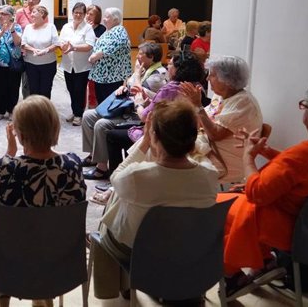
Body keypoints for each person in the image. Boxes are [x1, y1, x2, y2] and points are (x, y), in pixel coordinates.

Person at [91, 99, 219, 300]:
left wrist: (143, 143)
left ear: (155, 137)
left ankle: (122, 283)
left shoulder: (137, 177)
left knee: (115, 202)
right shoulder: (209, 175)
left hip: (139, 253)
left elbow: (116, 177)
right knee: (124, 198)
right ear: (193, 138)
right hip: (189, 250)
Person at [217, 84, 308, 301]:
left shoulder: (303, 154)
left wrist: (248, 159)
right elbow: (296, 170)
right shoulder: (304, 154)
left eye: (304, 106)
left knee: (215, 204)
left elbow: (257, 192)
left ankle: (232, 274)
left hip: (283, 224)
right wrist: (266, 151)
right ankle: (264, 260)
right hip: (302, 227)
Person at [0, 95, 86, 307]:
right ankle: (44, 294)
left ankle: (4, 292)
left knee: (0, 226)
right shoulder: (72, 166)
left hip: (14, 252)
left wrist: (10, 153)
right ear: (54, 128)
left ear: (20, 134)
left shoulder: (6, 167)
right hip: (59, 253)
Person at [101, 50, 205, 200]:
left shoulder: (171, 87)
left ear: (178, 69)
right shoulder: (195, 86)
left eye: (170, 64)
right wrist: (148, 97)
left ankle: (114, 185)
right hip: (182, 131)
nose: (167, 67)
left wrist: (138, 103)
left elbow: (145, 116)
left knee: (111, 134)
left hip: (164, 131)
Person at [82, 42, 168, 180]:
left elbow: (137, 90)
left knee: (101, 124)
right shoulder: (143, 68)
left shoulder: (158, 76)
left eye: (141, 54)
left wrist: (135, 77)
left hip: (137, 115)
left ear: (151, 57)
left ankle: (102, 167)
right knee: (88, 116)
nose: (137, 56)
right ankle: (94, 155)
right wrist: (122, 88)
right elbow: (129, 84)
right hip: (126, 107)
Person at [180, 55, 263, 183]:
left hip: (224, 162)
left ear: (227, 80)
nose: (207, 78)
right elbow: (201, 123)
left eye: (212, 75)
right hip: (207, 150)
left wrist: (198, 106)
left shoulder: (243, 103)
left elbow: (214, 134)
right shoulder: (220, 96)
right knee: (161, 142)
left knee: (168, 160)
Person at [59, 2, 96, 126]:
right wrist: (63, 46)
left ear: (85, 14)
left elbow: (89, 45)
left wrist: (73, 47)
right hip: (68, 65)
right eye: (76, 12)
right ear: (72, 13)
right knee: (70, 89)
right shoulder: (66, 27)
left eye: (81, 13)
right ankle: (75, 111)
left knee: (79, 90)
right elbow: (61, 42)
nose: (78, 15)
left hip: (82, 66)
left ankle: (79, 114)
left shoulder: (88, 28)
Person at [21, 5, 59, 99]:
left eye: (34, 12)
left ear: (42, 13)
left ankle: (45, 112)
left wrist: (45, 50)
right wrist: (33, 49)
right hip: (31, 64)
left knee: (45, 90)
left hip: (48, 65)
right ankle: (35, 112)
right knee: (33, 90)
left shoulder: (51, 27)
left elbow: (56, 44)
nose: (31, 15)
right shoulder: (28, 27)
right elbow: (23, 44)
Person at [0, 5, 23, 120]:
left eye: (4, 14)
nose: (0, 16)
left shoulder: (17, 27)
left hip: (13, 63)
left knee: (13, 88)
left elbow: (17, 43)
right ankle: (1, 110)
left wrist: (12, 30)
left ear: (11, 16)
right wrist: (2, 32)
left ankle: (11, 110)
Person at [15, 0, 43, 99]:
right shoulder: (20, 12)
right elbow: (15, 29)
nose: (31, 1)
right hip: (24, 52)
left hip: (38, 53)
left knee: (37, 82)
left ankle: (37, 105)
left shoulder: (42, 13)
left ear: (39, 0)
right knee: (26, 82)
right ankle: (28, 106)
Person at [85, 4, 106, 110]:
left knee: (93, 86)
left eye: (91, 14)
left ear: (97, 16)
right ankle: (79, 109)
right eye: (87, 13)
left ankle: (92, 107)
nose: (88, 16)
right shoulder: (82, 26)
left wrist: (90, 31)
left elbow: (100, 43)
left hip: (95, 61)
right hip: (83, 59)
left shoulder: (102, 29)